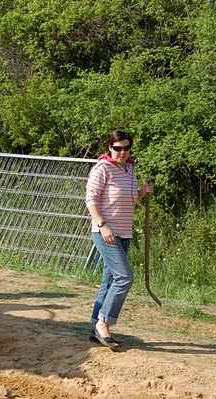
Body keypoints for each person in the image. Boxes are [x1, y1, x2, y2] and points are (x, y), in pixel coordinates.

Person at [86, 130, 153, 350]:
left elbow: (130, 199)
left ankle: (96, 328)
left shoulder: (130, 169)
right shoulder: (102, 169)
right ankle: (104, 323)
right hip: (106, 232)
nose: (122, 152)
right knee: (125, 277)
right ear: (109, 148)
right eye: (117, 148)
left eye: (126, 148)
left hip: (124, 233)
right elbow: (91, 201)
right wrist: (102, 225)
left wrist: (143, 191)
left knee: (110, 280)